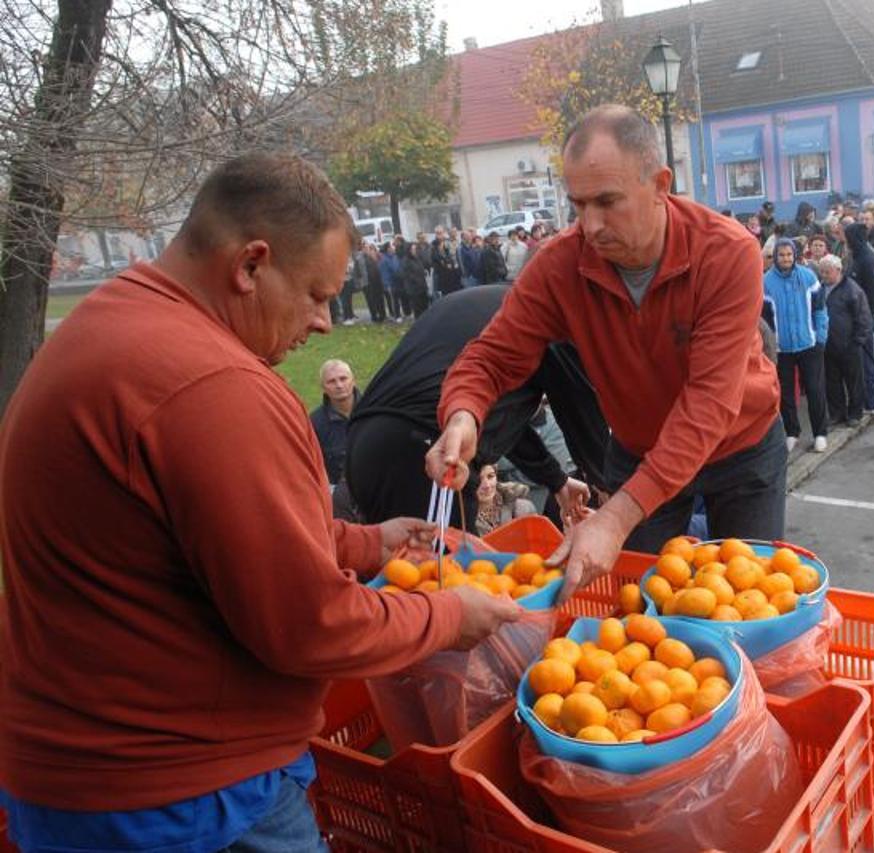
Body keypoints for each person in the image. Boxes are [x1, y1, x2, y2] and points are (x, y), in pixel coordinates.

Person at [0, 153, 522, 853]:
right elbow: (310, 626)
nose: (325, 322)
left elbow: (198, 538)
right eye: (315, 294)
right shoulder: (213, 385)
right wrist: (450, 615)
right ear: (251, 265)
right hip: (178, 797)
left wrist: (368, 542)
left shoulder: (116, 322)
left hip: (86, 773)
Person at [428, 105, 784, 596]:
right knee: (636, 604)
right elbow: (492, 354)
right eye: (578, 205)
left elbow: (708, 403)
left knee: (751, 600)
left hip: (741, 446)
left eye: (607, 201)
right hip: (640, 447)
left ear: (660, 184)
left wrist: (615, 518)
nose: (590, 225)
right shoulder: (560, 265)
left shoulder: (726, 253)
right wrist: (463, 414)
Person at [345, 285, 606, 529]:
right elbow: (583, 414)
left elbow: (499, 421)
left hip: (363, 443)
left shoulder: (493, 305)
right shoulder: (555, 319)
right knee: (444, 562)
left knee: (395, 559)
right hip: (430, 452)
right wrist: (608, 490)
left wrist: (557, 480)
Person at [763, 238, 829, 453]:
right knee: (786, 393)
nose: (786, 259)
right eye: (781, 255)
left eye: (789, 255)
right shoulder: (765, 282)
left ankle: (820, 433)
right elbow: (763, 319)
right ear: (775, 257)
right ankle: (792, 432)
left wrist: (820, 336)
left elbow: (820, 308)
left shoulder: (808, 276)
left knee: (815, 389)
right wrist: (769, 346)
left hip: (809, 344)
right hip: (781, 349)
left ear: (795, 255)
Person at [816, 254, 871, 426]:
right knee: (832, 381)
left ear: (838, 270)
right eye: (822, 272)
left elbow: (863, 317)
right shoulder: (819, 288)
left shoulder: (852, 290)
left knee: (854, 382)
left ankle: (855, 413)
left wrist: (857, 341)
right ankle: (836, 413)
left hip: (849, 344)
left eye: (827, 272)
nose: (824, 275)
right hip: (827, 344)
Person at [844, 221, 874, 416]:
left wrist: (868, 316)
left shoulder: (867, 260)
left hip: (863, 318)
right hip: (855, 317)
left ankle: (873, 401)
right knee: (860, 361)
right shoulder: (857, 257)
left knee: (866, 360)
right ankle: (867, 400)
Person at [310, 358, 360, 487]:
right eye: (331, 381)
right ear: (323, 387)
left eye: (343, 379)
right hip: (336, 490)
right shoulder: (314, 424)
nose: (339, 385)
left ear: (354, 380)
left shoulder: (373, 410)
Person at [473, 463, 538, 535]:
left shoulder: (523, 508)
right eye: (478, 480)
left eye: (490, 476)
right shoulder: (464, 520)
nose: (487, 485)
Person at [402, 241, 431, 318]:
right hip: (414, 289)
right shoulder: (406, 261)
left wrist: (424, 273)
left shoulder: (417, 258)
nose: (414, 251)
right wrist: (419, 281)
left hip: (422, 287)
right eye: (413, 249)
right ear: (409, 250)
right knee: (418, 309)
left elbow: (421, 269)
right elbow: (409, 275)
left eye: (415, 249)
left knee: (425, 306)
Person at [361, 242, 388, 323]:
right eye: (365, 248)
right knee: (373, 300)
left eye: (368, 248)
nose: (367, 250)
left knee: (380, 299)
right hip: (369, 283)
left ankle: (383, 315)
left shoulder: (374, 257)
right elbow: (360, 272)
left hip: (377, 281)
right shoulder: (362, 259)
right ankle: (376, 316)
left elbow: (379, 267)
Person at [431, 228, 463, 296]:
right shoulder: (433, 245)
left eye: (441, 233)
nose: (439, 235)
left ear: (443, 233)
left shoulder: (448, 243)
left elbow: (453, 256)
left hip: (453, 274)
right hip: (442, 276)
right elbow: (436, 259)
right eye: (437, 233)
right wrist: (444, 262)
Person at [378, 241, 404, 322]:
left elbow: (399, 267)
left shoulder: (395, 257)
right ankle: (397, 316)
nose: (393, 248)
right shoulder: (384, 260)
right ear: (388, 249)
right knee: (394, 300)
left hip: (398, 281)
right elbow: (384, 274)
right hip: (391, 283)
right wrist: (387, 285)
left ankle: (399, 314)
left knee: (398, 299)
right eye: (392, 247)